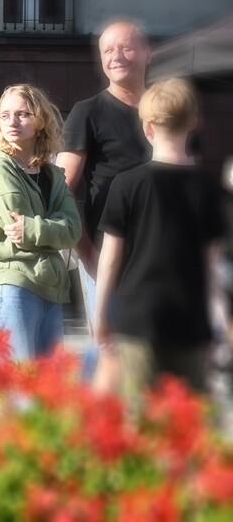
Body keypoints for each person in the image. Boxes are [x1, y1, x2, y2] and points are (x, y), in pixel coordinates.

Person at [94, 78, 226, 406]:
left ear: (147, 126)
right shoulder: (209, 187)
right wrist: (220, 323)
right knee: (188, 421)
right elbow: (211, 268)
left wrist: (101, 314)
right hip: (191, 318)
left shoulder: (126, 184)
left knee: (142, 420)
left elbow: (110, 259)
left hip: (138, 316)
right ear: (193, 123)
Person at [57, 21, 152, 369]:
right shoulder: (88, 112)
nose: (116, 57)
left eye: (125, 47)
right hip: (107, 257)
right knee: (111, 361)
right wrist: (86, 253)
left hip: (159, 259)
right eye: (108, 50)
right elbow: (62, 191)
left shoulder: (167, 111)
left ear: (147, 53)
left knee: (154, 362)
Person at [0, 84, 81, 360]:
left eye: (22, 114)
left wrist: (34, 228)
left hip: (50, 286)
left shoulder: (52, 174)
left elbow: (73, 230)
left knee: (44, 384)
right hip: (13, 284)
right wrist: (53, 227)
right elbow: (17, 229)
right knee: (16, 382)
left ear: (40, 119)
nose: (12, 121)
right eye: (4, 115)